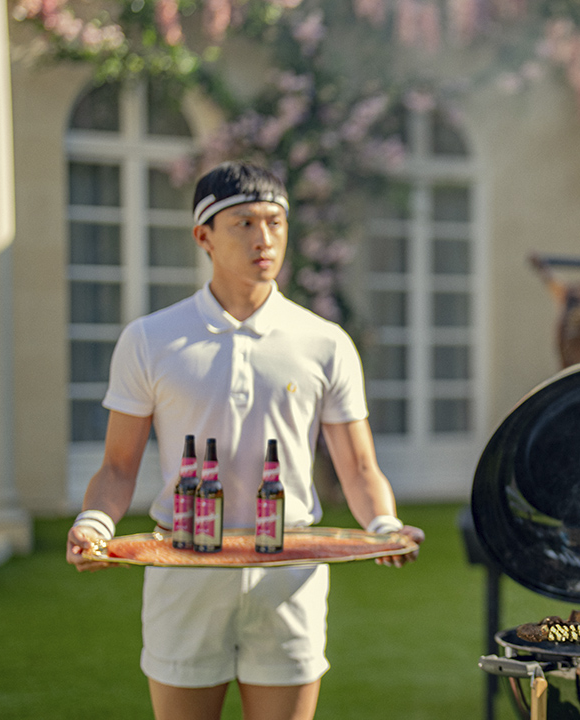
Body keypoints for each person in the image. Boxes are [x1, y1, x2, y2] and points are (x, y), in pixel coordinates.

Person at [66, 161, 425, 720]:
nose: (265, 238)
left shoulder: (324, 341)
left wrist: (384, 527)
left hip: (289, 574)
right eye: (244, 223)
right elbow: (117, 467)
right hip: (183, 568)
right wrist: (93, 525)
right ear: (203, 236)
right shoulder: (149, 339)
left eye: (275, 222)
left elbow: (357, 467)